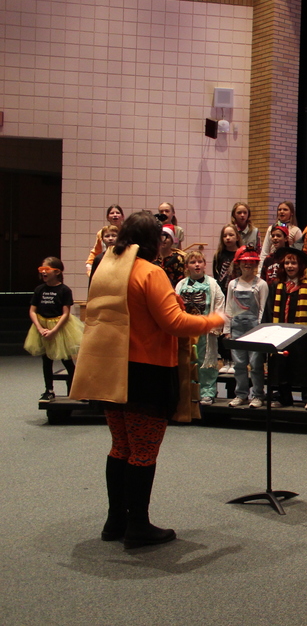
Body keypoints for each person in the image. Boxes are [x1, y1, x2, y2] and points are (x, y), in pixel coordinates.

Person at [70, 210, 224, 549]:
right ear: (153, 242)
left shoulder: (106, 268)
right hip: (146, 372)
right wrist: (213, 320)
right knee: (143, 451)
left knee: (120, 446)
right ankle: (138, 525)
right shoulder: (150, 273)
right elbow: (174, 323)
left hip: (112, 369)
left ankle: (116, 520)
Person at [25, 257, 84, 402]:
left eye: (47, 270)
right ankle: (49, 390)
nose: (44, 272)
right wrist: (40, 328)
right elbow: (32, 311)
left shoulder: (64, 290)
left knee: (67, 360)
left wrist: (54, 331)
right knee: (46, 360)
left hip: (59, 327)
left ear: (57, 272)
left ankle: (75, 389)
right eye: (42, 270)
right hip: (42, 326)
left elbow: (66, 313)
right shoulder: (39, 290)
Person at [266, 247, 307, 410]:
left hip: (301, 335)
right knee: (280, 366)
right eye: (287, 262)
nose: (290, 266)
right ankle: (283, 397)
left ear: (300, 266)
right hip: (279, 334)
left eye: (293, 263)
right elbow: (268, 310)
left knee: (303, 365)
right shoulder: (276, 286)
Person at [175, 251, 225, 406]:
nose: (196, 265)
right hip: (187, 330)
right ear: (187, 266)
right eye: (192, 262)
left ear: (204, 264)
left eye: (199, 262)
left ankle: (207, 392)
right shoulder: (181, 284)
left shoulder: (212, 284)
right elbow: (175, 304)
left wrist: (214, 326)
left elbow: (219, 303)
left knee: (206, 363)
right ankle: (188, 392)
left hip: (205, 331)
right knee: (187, 363)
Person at [224, 246, 269, 409]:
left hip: (255, 330)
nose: (247, 265)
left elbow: (263, 308)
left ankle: (258, 395)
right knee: (239, 365)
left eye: (251, 262)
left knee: (256, 365)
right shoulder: (232, 285)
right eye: (244, 262)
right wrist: (227, 330)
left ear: (256, 264)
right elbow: (229, 307)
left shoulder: (261, 284)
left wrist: (261, 330)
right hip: (236, 329)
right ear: (239, 264)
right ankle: (241, 394)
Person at [86, 205, 124, 275]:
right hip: (105, 265)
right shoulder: (101, 233)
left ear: (122, 217)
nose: (115, 215)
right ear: (107, 217)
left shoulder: (127, 232)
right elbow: (96, 251)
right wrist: (89, 265)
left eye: (117, 213)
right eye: (112, 213)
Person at [213, 224, 240, 294]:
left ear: (237, 237)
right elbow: (216, 275)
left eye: (231, 235)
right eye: (224, 236)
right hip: (222, 291)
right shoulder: (218, 255)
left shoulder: (241, 254)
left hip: (238, 289)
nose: (227, 238)